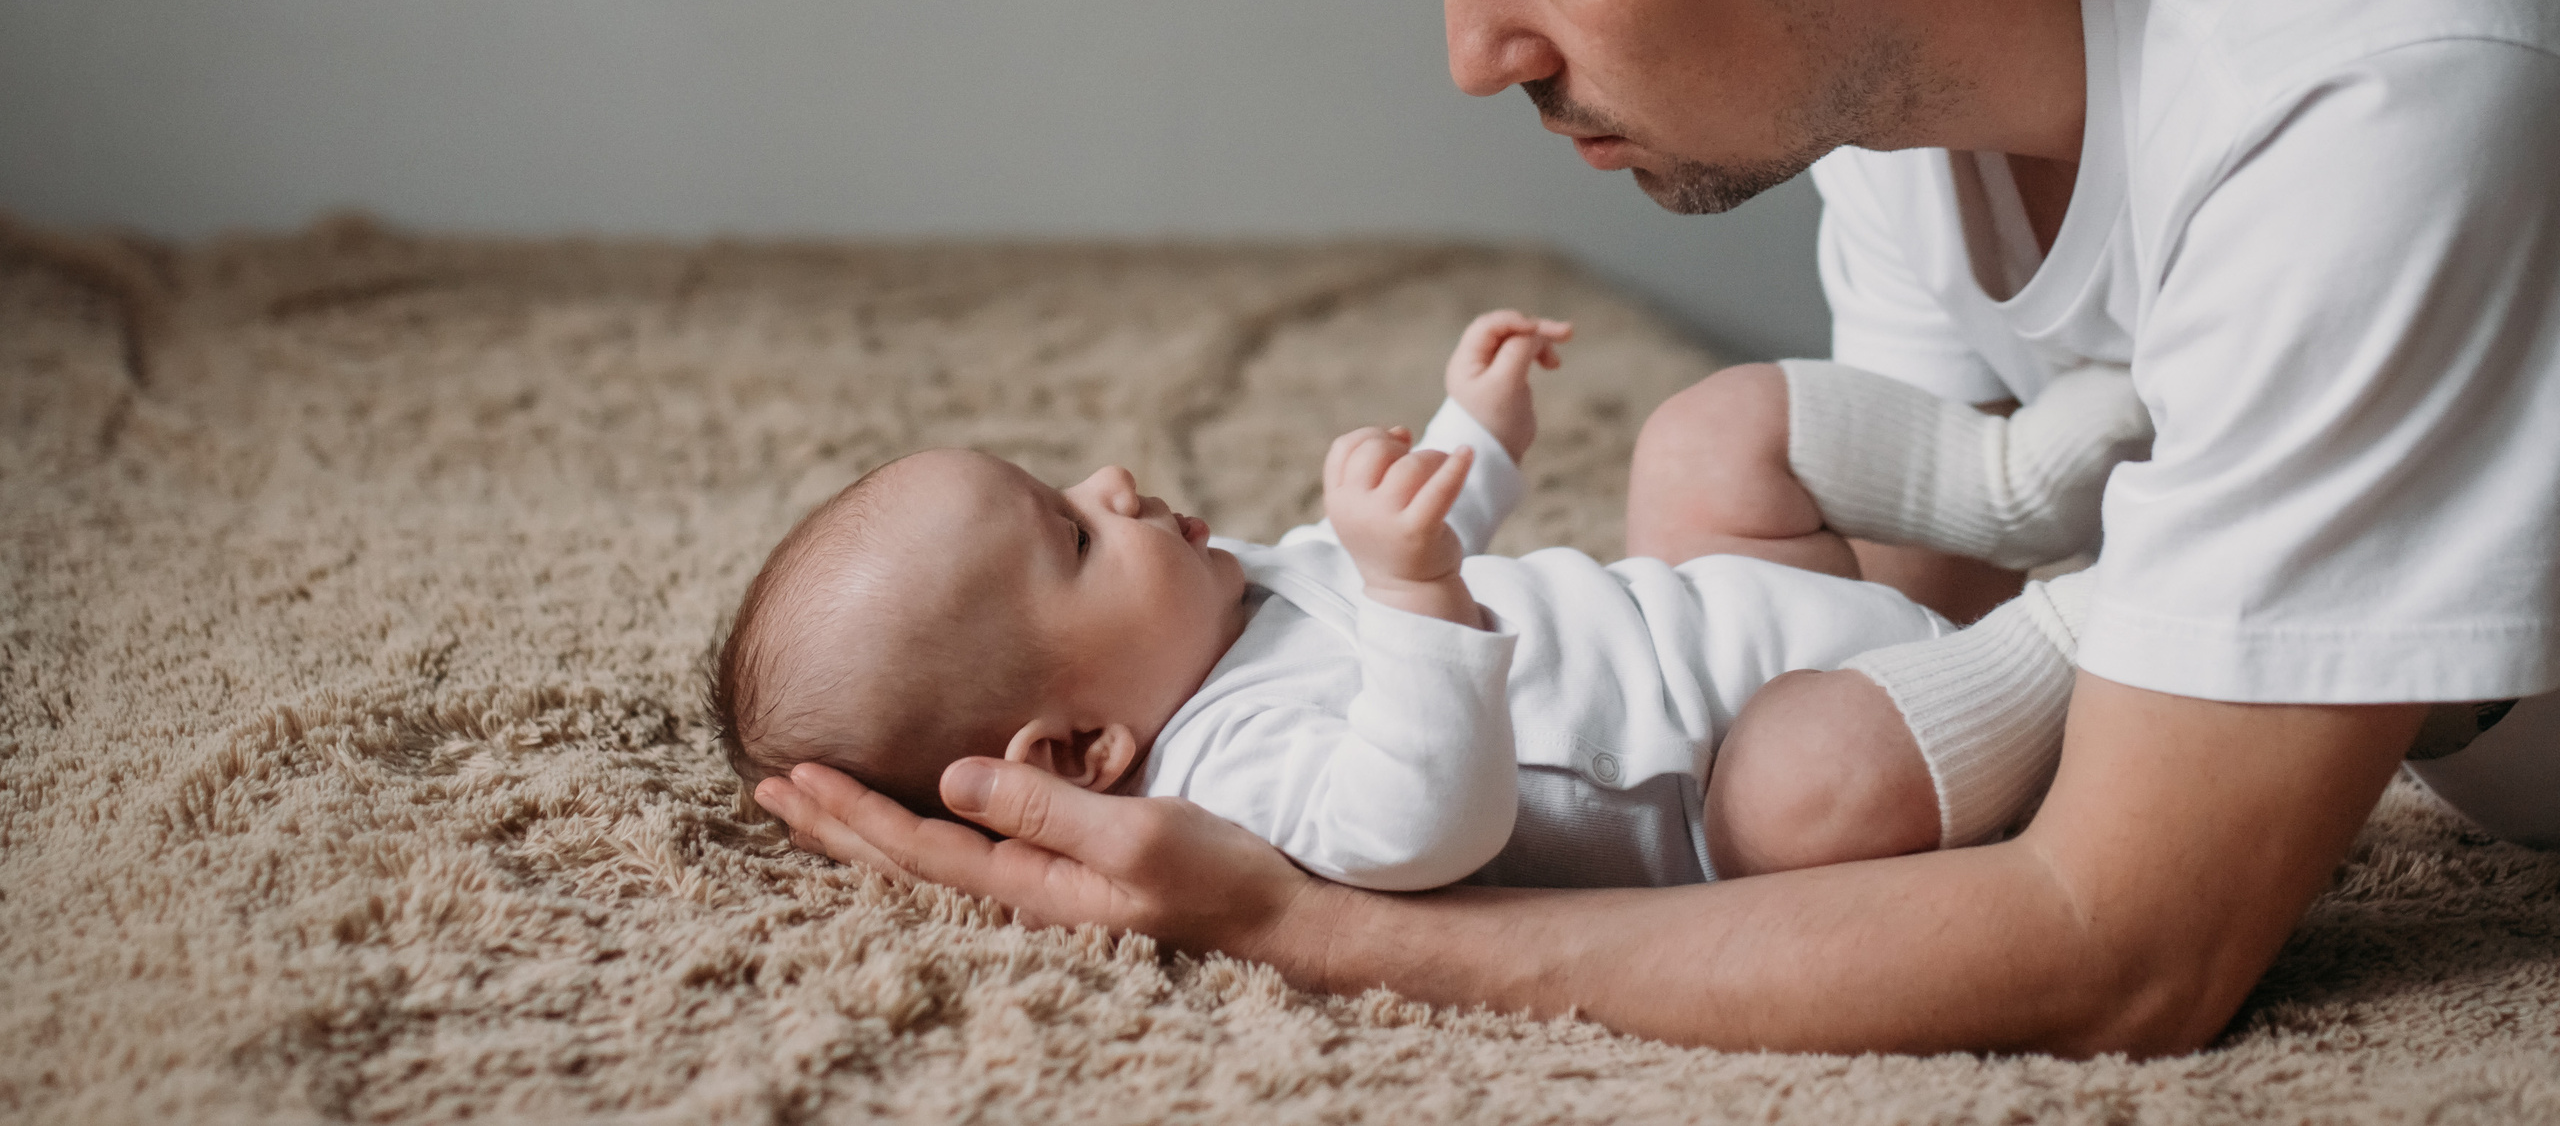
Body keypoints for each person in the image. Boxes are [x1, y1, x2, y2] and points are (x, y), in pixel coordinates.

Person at [758, 0, 2560, 1056]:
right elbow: (1913, 670)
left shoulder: (2373, 84)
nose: (1472, 55)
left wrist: (1306, 922)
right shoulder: (1902, 55)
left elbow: (2124, 943)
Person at [715, 311, 2151, 890]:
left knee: (1700, 439)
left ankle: (2005, 484)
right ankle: (2096, 631)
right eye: (1077, 536)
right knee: (1810, 788)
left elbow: (1436, 525)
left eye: (1068, 480)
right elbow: (1420, 825)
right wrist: (1408, 588)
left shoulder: (1241, 589)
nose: (1110, 475)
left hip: (1735, 603)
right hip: (1744, 769)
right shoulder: (1230, 773)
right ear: (1080, 750)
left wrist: (1470, 423)